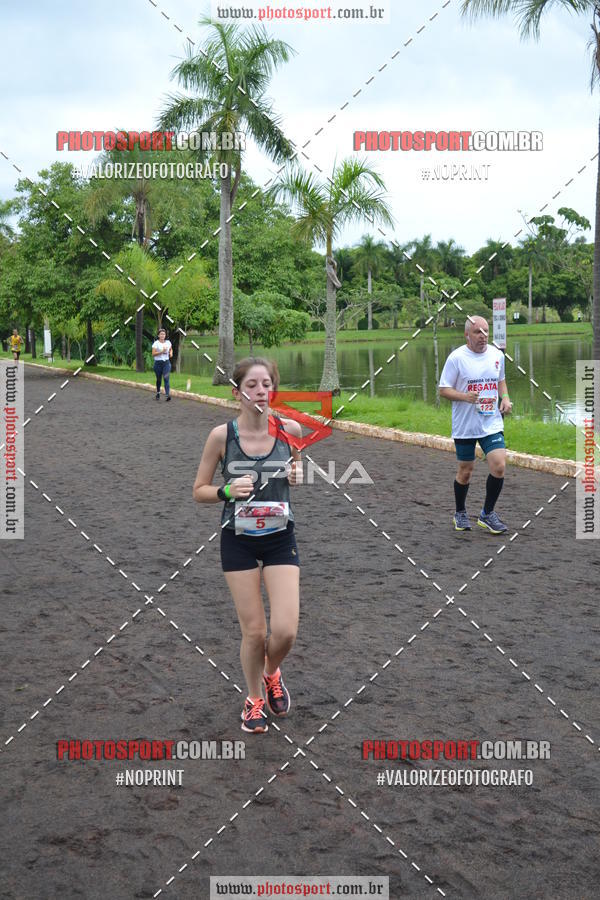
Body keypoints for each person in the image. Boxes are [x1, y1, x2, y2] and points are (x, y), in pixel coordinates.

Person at [192, 357, 303, 734]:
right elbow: (199, 491)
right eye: (252, 385)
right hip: (238, 540)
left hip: (279, 538)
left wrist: (296, 473)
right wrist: (226, 490)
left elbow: (295, 473)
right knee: (255, 632)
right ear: (237, 393)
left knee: (285, 630)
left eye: (267, 384)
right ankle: (254, 698)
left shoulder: (290, 430)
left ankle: (272, 672)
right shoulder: (222, 436)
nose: (261, 391)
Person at [439, 316, 513, 534]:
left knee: (499, 465)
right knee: (466, 471)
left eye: (486, 331)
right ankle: (460, 512)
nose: (483, 336)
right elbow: (443, 389)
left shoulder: (496, 355)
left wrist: (505, 398)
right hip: (465, 424)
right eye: (478, 332)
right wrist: (464, 396)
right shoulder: (456, 358)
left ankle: (487, 514)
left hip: (490, 421)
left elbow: (500, 380)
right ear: (467, 335)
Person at [151, 328, 172, 401]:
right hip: (158, 364)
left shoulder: (168, 342)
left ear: (165, 335)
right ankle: (158, 393)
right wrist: (161, 352)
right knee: (159, 379)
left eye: (164, 334)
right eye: (161, 334)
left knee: (166, 378)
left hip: (166, 363)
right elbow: (153, 354)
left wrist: (171, 353)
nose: (163, 335)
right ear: (158, 335)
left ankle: (167, 395)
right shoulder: (156, 343)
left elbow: (170, 349)